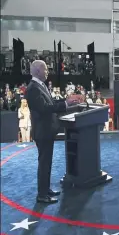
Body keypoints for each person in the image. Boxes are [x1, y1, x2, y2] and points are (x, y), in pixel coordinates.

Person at [25, 60, 83, 204]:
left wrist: (67, 100)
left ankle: (46, 190)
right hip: (42, 132)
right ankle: (42, 195)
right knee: (44, 163)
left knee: (47, 163)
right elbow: (45, 108)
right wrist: (66, 104)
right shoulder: (33, 88)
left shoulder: (40, 85)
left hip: (47, 131)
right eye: (45, 70)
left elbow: (50, 103)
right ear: (38, 71)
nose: (47, 72)